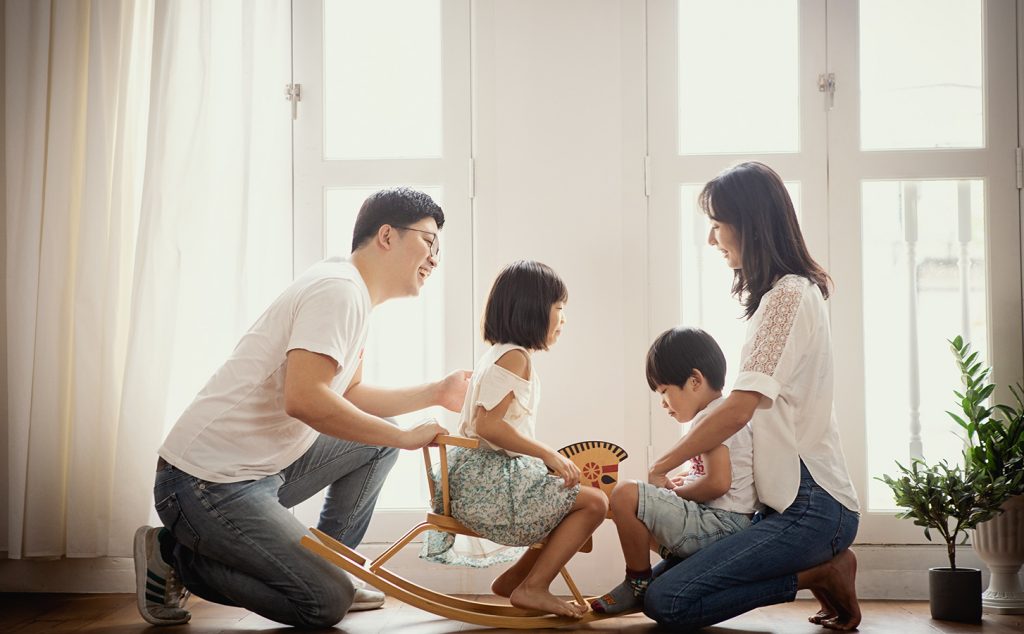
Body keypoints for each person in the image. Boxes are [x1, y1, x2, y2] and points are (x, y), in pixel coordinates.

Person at [133, 188, 470, 628]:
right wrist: (405, 438)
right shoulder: (339, 291)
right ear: (387, 235)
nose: (435, 258)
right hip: (202, 484)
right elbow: (305, 399)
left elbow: (348, 395)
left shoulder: (353, 293)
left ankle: (333, 569)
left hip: (258, 471)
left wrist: (437, 391)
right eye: (429, 241)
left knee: (376, 443)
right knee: (323, 603)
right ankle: (173, 554)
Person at [642, 162, 862, 631]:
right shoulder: (782, 297)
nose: (712, 240)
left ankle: (823, 570)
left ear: (750, 224)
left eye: (716, 225)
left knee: (668, 601)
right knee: (654, 594)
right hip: (782, 506)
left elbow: (739, 408)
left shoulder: (789, 297)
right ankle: (818, 569)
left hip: (814, 508)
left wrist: (662, 466)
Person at [421, 260, 608, 618]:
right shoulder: (514, 358)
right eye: (560, 309)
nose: (563, 319)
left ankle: (517, 581)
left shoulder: (502, 353)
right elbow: (489, 426)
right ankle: (533, 586)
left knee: (572, 498)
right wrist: (548, 455)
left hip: (479, 477)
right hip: (486, 481)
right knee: (595, 503)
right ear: (534, 310)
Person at [591, 326, 760, 615]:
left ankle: (636, 583)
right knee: (632, 508)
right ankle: (661, 563)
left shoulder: (714, 419)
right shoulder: (717, 415)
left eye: (665, 391)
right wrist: (686, 481)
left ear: (694, 380)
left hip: (720, 525)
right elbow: (715, 478)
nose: (663, 404)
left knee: (625, 495)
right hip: (722, 522)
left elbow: (718, 483)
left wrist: (677, 493)